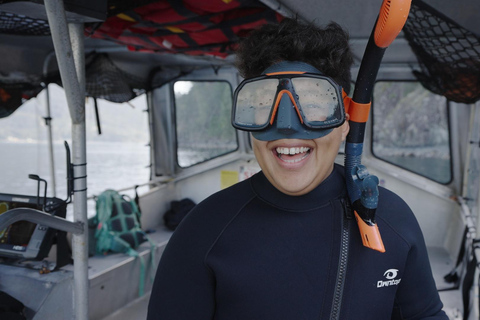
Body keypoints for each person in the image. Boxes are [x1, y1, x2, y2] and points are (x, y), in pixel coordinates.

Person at [147, 18, 447, 319]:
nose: (286, 125)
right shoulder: (202, 231)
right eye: (264, 105)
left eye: (314, 104)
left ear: (346, 122)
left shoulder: (392, 220)